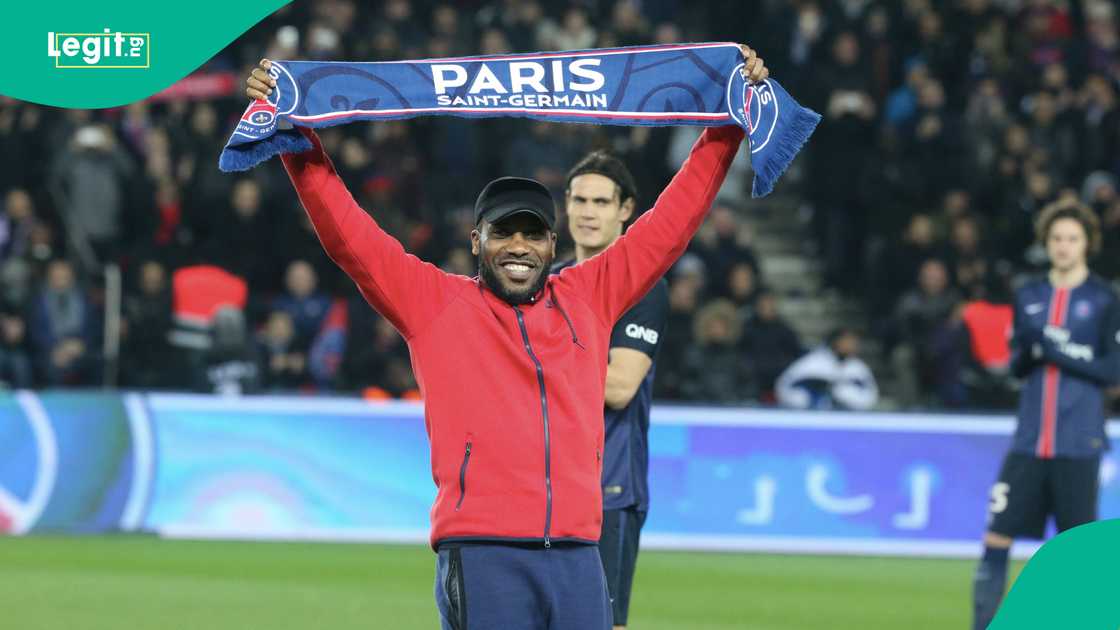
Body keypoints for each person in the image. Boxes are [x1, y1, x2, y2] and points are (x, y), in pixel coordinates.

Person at [247, 46, 769, 630]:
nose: (519, 246)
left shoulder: (589, 296)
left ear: (552, 244)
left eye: (533, 233)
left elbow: (672, 224)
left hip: (577, 555)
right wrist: (299, 141)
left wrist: (726, 123)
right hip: (483, 553)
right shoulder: (436, 304)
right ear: (477, 241)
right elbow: (350, 237)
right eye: (504, 232)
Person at [971, 200, 1120, 630]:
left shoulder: (1105, 299)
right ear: (1046, 243)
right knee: (996, 536)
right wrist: (1028, 350)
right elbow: (1018, 365)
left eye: (1072, 238)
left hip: (1079, 443)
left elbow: (1112, 371)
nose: (1064, 246)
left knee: (1080, 554)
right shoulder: (1029, 295)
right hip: (1029, 442)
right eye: (1057, 238)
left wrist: (1053, 349)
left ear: (1087, 244)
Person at [552, 151, 667, 630]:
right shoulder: (549, 281)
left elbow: (619, 386)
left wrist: (539, 361)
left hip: (609, 488)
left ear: (626, 210)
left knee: (604, 624)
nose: (587, 212)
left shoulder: (640, 286)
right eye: (579, 199)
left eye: (601, 201)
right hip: (546, 487)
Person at [775, 327, 878, 411]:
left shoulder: (858, 367)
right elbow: (785, 387)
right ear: (836, 342)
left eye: (854, 343)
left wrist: (842, 394)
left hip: (848, 421)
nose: (852, 346)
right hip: (812, 419)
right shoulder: (812, 362)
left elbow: (870, 397)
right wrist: (811, 399)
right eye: (848, 341)